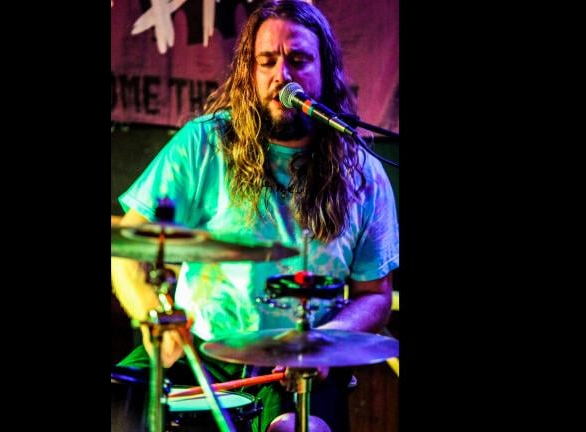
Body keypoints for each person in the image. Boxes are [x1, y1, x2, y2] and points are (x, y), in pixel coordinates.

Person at [111, 1, 399, 431]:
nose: (282, 75)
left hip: (295, 366)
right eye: (267, 61)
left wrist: (324, 342)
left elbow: (374, 294)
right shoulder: (203, 144)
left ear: (325, 70)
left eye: (299, 60)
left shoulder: (363, 171)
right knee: (123, 398)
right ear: (250, 71)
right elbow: (126, 251)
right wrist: (160, 326)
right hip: (199, 351)